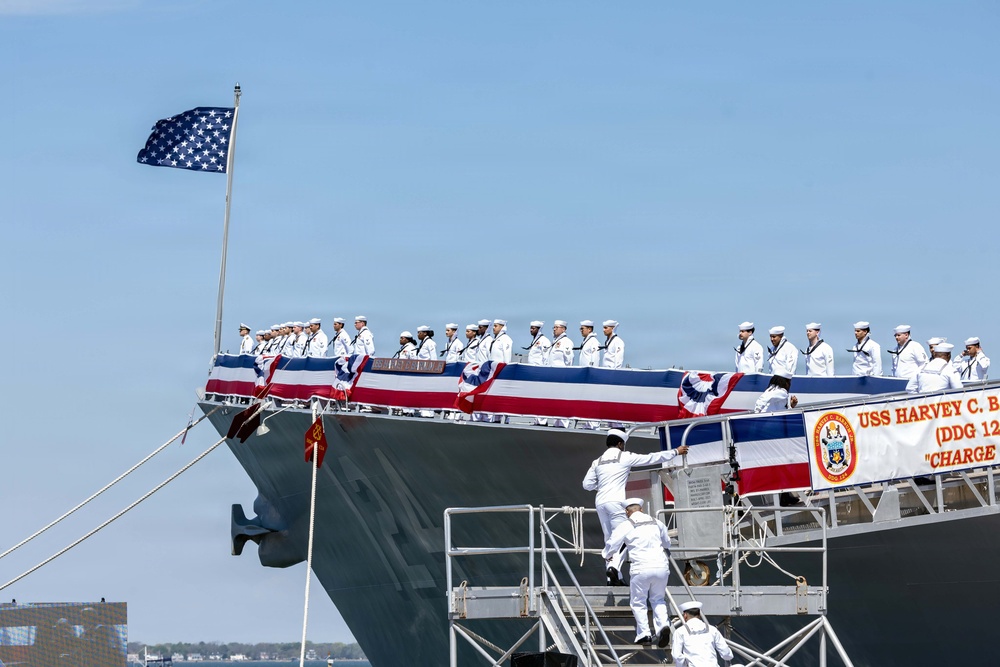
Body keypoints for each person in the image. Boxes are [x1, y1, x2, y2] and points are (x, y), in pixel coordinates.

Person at [582, 429, 688, 584]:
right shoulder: (625, 457)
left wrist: (604, 485)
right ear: (620, 443)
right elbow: (651, 458)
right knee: (623, 538)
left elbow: (587, 485)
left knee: (609, 540)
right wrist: (674, 452)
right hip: (616, 502)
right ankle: (614, 568)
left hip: (600, 502)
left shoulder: (597, 461)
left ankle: (613, 579)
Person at [602, 498, 673, 647]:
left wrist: (607, 555)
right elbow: (667, 542)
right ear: (641, 509)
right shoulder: (657, 522)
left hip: (641, 568)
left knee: (638, 602)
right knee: (658, 600)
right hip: (661, 567)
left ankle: (645, 634)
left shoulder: (626, 525)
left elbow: (612, 544)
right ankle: (662, 627)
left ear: (627, 512)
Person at [671, 600, 735, 667]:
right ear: (699, 615)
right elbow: (726, 653)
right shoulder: (712, 629)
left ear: (685, 615)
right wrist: (729, 656)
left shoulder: (680, 632)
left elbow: (677, 656)